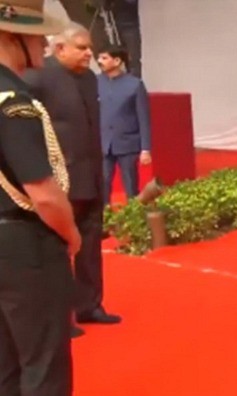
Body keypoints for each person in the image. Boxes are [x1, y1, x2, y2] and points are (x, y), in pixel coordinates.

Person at [0, 2, 87, 396]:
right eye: (35, 37)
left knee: (10, 365)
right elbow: (43, 190)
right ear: (12, 36)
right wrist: (72, 235)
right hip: (25, 244)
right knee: (44, 368)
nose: (42, 45)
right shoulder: (13, 99)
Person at [23, 22, 122, 334]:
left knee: (90, 246)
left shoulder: (91, 79)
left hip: (92, 176)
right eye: (82, 48)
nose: (89, 53)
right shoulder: (37, 77)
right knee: (57, 251)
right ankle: (59, 316)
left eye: (89, 48)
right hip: (58, 181)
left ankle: (89, 305)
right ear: (60, 48)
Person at [97, 44, 151, 204]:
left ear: (117, 61)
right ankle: (105, 216)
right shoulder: (95, 82)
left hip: (128, 144)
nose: (100, 61)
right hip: (103, 144)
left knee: (130, 184)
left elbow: (144, 118)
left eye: (104, 58)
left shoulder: (134, 84)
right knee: (103, 182)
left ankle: (134, 217)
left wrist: (145, 149)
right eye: (99, 57)